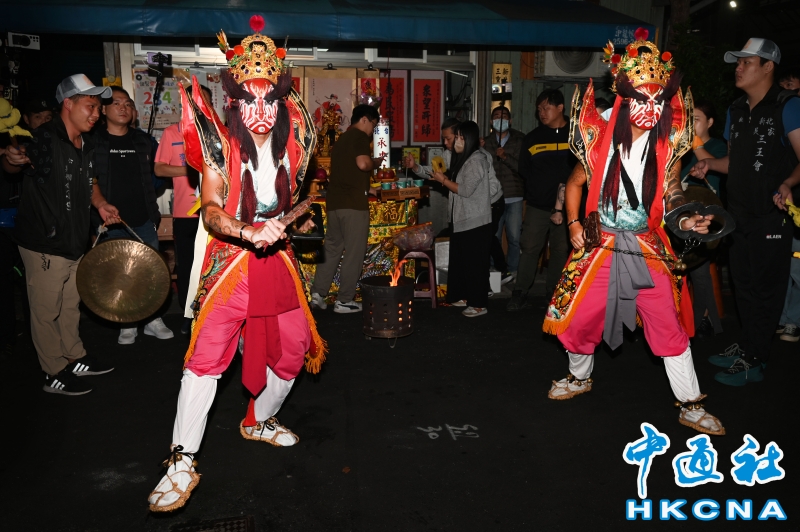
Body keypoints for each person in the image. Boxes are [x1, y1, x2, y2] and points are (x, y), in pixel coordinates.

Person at [147, 20, 326, 512]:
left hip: (278, 261)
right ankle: (181, 460)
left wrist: (293, 217)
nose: (261, 112)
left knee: (295, 349)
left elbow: (293, 200)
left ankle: (259, 419)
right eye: (250, 100)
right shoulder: (219, 148)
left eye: (270, 100)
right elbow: (210, 210)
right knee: (206, 358)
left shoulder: (296, 145)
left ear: (283, 103)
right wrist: (247, 231)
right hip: (230, 261)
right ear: (233, 102)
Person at [543, 29, 724, 436]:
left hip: (645, 246)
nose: (651, 108)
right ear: (625, 99)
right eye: (642, 99)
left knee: (667, 324)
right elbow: (574, 183)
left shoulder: (668, 146)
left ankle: (691, 404)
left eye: (658, 100)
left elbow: (674, 195)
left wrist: (686, 219)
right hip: (599, 245)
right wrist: (573, 222)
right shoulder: (598, 141)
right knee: (575, 319)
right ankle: (579, 377)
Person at [690, 38, 800, 384]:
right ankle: (749, 344)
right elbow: (735, 163)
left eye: (746, 62)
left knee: (766, 288)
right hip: (738, 213)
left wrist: (788, 183)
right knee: (743, 284)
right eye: (738, 62)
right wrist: (710, 165)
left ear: (768, 67)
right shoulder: (736, 109)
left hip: (772, 214)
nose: (738, 68)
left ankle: (756, 359)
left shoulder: (788, 105)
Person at [1, 74, 116, 395]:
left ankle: (74, 355)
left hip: (75, 240)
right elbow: (17, 161)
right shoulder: (43, 138)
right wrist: (11, 159)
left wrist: (101, 203)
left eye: (98, 107)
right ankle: (52, 370)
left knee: (69, 304)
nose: (97, 114)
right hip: (45, 243)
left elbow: (90, 182)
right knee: (45, 310)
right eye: (91, 106)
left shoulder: (86, 143)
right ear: (68, 103)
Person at [93, 86, 173, 344]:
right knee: (119, 276)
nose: (123, 107)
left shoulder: (143, 141)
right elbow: (88, 182)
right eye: (117, 103)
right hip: (109, 222)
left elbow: (157, 177)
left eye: (128, 103)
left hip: (143, 219)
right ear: (103, 110)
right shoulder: (93, 142)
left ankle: (152, 319)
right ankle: (127, 322)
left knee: (150, 273)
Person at [310, 104, 383, 313]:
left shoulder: (342, 140)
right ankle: (344, 300)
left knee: (332, 248)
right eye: (373, 125)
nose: (372, 131)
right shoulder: (359, 137)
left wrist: (370, 189)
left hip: (335, 204)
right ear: (364, 120)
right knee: (354, 252)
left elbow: (347, 174)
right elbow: (362, 164)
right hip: (353, 205)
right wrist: (375, 162)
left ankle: (318, 294)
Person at [508, 89, 573, 311]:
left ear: (560, 108)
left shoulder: (575, 134)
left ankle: (553, 293)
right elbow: (524, 170)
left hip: (568, 206)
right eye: (539, 109)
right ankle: (520, 292)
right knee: (529, 248)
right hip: (538, 206)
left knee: (561, 249)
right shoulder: (533, 138)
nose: (542, 113)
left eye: (546, 108)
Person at [154, 85, 211, 335]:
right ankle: (189, 315)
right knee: (187, 266)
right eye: (192, 101)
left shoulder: (218, 133)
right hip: (185, 213)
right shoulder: (171, 133)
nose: (198, 105)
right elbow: (159, 169)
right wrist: (192, 169)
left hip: (216, 212)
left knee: (213, 266)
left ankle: (213, 314)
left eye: (203, 100)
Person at [429, 120, 499, 316]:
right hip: (462, 219)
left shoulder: (476, 160)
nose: (457, 141)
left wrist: (444, 180)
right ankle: (463, 296)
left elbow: (465, 190)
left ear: (468, 139)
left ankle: (478, 304)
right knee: (462, 262)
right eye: (456, 137)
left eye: (460, 137)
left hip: (475, 220)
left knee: (475, 264)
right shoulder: (463, 158)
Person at [680, 99, 728, 339]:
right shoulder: (681, 148)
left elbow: (716, 166)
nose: (691, 123)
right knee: (680, 267)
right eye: (688, 119)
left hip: (706, 214)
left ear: (710, 122)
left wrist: (695, 143)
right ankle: (684, 318)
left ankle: (704, 318)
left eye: (696, 119)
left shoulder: (718, 146)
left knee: (699, 270)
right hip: (681, 214)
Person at [483, 106, 524, 283]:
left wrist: (506, 157)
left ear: (510, 120)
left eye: (504, 116)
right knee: (494, 237)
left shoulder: (520, 140)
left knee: (515, 237)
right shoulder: (485, 142)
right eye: (497, 116)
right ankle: (495, 271)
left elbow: (523, 167)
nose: (501, 119)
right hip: (493, 198)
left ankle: (513, 271)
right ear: (491, 121)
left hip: (514, 195)